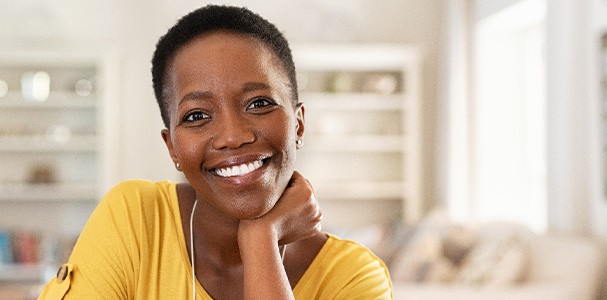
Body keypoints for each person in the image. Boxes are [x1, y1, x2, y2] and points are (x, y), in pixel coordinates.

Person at [38, 4, 392, 299]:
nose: (232, 137)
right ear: (172, 146)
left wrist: (259, 240)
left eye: (259, 103)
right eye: (197, 115)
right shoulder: (135, 220)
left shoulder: (354, 278)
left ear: (298, 124)